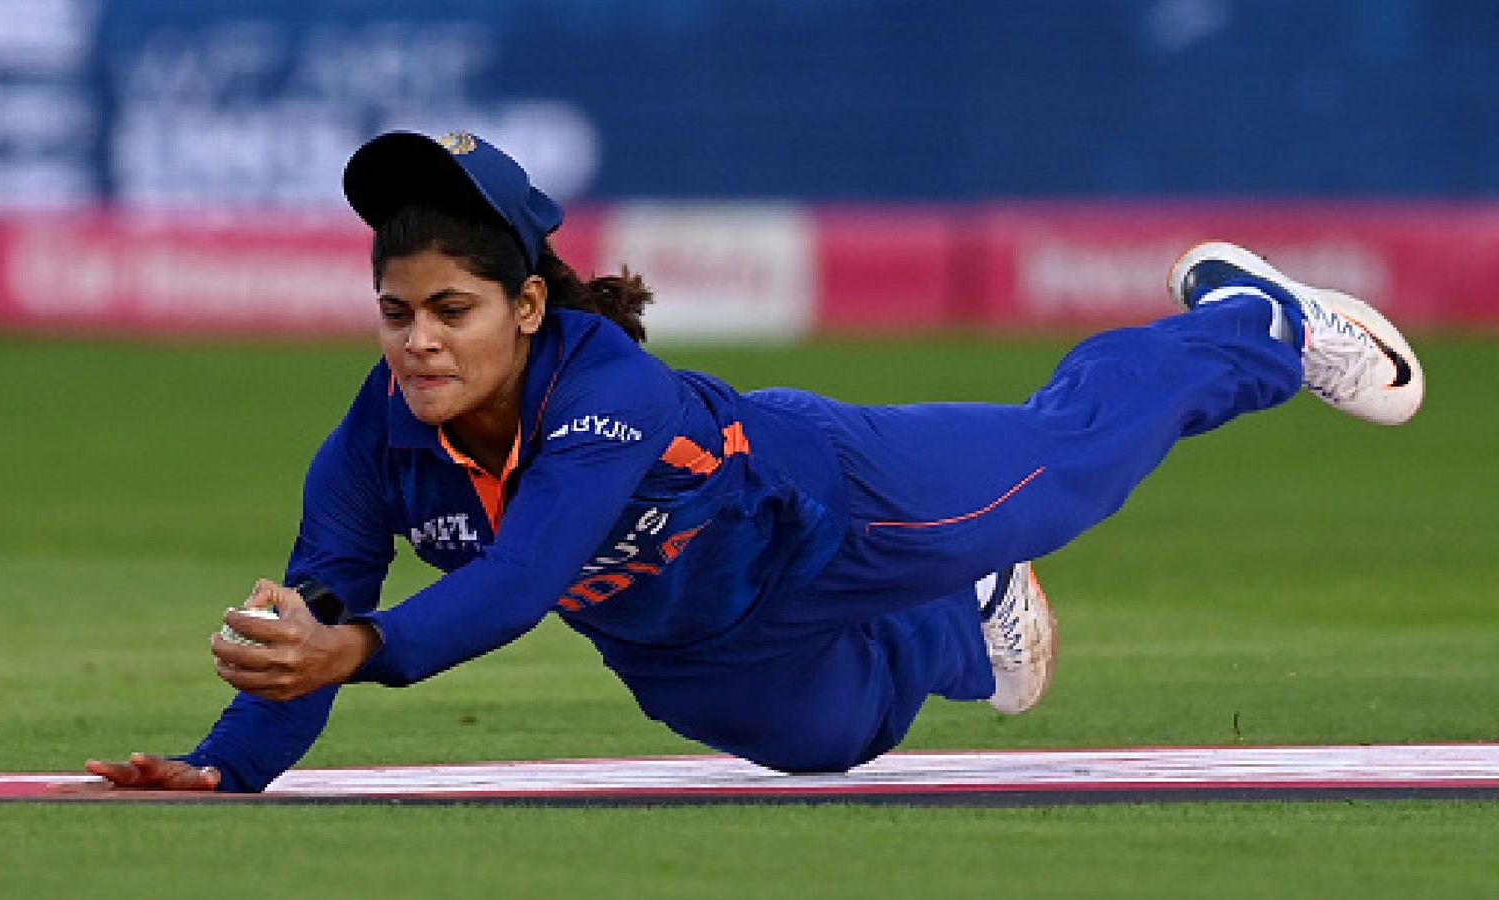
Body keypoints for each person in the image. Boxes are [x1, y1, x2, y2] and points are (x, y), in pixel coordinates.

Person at [86, 130, 1424, 792]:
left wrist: (362, 650)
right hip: (686, 640)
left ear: (527, 306)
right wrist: (230, 763)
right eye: (397, 314)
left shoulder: (608, 386)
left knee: (1065, 470)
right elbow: (310, 615)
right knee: (829, 745)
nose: (420, 345)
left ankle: (1248, 322)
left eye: (454, 311)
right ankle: (962, 618)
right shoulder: (369, 443)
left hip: (830, 500)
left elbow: (519, 579)